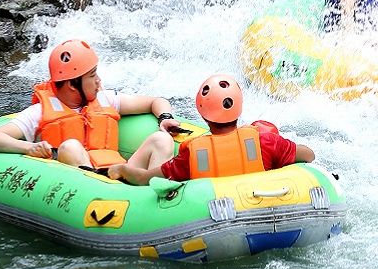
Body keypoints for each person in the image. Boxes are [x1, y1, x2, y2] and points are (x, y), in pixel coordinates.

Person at [0, 39, 179, 174]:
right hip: (85, 188)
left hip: (118, 173)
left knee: (161, 140)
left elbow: (155, 101)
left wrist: (165, 117)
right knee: (70, 146)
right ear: (71, 84)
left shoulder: (106, 99)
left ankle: (154, 200)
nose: (98, 81)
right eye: (92, 76)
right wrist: (30, 147)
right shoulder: (40, 112)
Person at [110, 74, 315, 185]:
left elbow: (146, 179)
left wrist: (122, 169)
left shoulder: (194, 155)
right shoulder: (265, 141)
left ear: (201, 113)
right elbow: (308, 155)